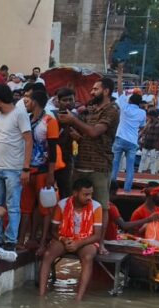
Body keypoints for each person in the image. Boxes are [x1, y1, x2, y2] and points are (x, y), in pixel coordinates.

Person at [57, 78, 119, 252]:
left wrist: (73, 120)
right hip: (80, 162)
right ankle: (71, 237)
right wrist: (75, 132)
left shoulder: (111, 110)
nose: (91, 92)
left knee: (102, 205)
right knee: (72, 202)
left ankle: (101, 243)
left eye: (95, 89)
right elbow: (84, 133)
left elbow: (94, 132)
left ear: (106, 91)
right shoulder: (89, 109)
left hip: (100, 164)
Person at [38, 177, 103, 301]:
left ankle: (78, 299)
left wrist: (78, 243)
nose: (89, 197)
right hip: (64, 238)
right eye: (85, 194)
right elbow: (53, 230)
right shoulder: (62, 204)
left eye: (91, 194)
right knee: (47, 255)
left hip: (86, 240)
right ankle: (41, 295)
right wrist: (63, 239)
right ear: (75, 193)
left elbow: (97, 235)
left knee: (88, 257)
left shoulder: (97, 207)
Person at [0, 84, 32, 249]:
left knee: (13, 206)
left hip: (13, 168)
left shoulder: (19, 114)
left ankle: (10, 240)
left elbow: (28, 140)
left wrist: (25, 168)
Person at [21, 89, 59, 248]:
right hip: (27, 169)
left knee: (44, 208)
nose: (25, 103)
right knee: (26, 207)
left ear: (35, 102)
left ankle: (42, 242)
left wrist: (51, 173)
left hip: (43, 170)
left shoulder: (50, 121)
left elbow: (52, 150)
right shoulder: (26, 119)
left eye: (28, 100)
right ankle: (20, 241)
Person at [112, 83, 147, 191]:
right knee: (130, 168)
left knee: (115, 165)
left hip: (120, 139)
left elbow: (120, 91)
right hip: (132, 142)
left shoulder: (124, 107)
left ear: (130, 100)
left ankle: (111, 188)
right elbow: (142, 127)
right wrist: (138, 135)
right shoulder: (142, 113)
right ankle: (127, 190)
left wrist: (120, 73)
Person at [138, 109, 159, 176]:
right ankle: (140, 172)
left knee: (152, 160)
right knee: (143, 159)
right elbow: (144, 131)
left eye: (149, 116)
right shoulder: (149, 122)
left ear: (152, 116)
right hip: (147, 142)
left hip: (154, 144)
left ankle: (152, 173)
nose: (148, 117)